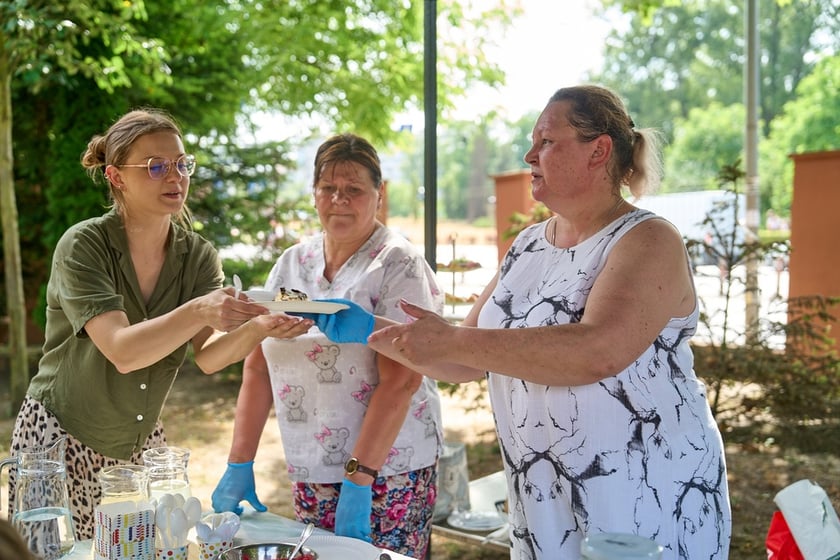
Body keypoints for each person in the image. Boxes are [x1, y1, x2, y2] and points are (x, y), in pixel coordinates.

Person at [368, 86, 732, 558]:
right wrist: (353, 325)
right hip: (543, 504)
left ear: (598, 150)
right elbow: (461, 362)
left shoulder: (648, 239)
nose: (528, 154)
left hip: (642, 501)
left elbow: (596, 351)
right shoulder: (528, 244)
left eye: (546, 141)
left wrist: (455, 340)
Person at [6, 108, 312, 540]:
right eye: (156, 166)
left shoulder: (199, 256)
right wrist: (198, 311)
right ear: (116, 177)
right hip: (59, 441)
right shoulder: (84, 246)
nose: (175, 176)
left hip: (138, 447)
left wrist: (259, 330)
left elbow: (207, 358)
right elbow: (123, 351)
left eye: (182, 164)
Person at [211, 133, 444, 558]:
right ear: (314, 193)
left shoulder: (396, 263)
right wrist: (238, 462)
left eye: (354, 189)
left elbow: (403, 380)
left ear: (380, 193)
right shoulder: (292, 263)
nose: (339, 199)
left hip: (388, 470)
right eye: (328, 188)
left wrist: (359, 478)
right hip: (312, 466)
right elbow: (258, 366)